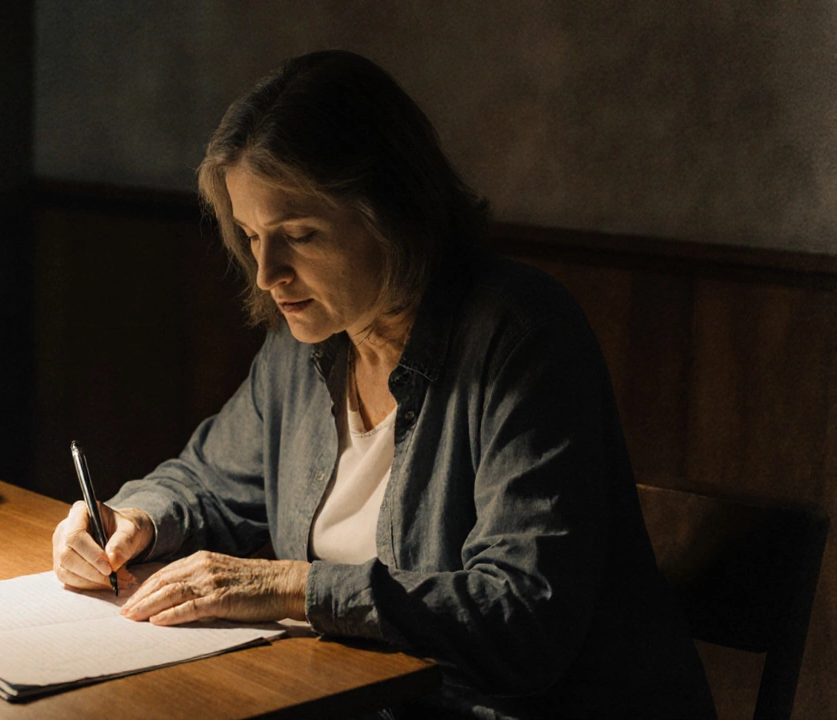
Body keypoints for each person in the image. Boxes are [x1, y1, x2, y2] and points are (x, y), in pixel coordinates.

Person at [52, 50, 714, 719]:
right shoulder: (304, 344)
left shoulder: (522, 334)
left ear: (393, 214)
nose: (266, 273)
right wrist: (133, 517)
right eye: (252, 237)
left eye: (299, 235)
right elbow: (207, 483)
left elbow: (522, 619)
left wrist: (294, 588)